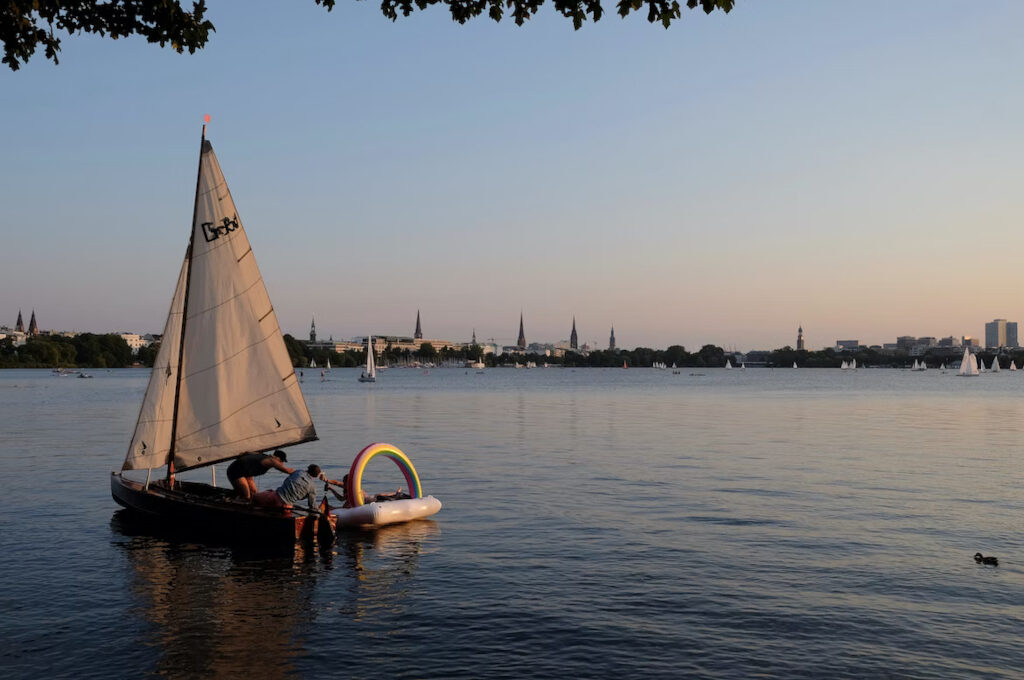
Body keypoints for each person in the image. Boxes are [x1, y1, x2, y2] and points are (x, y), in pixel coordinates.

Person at [255, 464, 338, 512]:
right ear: (316, 476)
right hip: (286, 506)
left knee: (254, 498)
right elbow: (312, 506)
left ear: (307, 469)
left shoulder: (298, 472)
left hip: (275, 496)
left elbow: (287, 480)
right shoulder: (312, 487)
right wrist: (319, 510)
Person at [227, 450, 293, 501]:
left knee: (254, 493)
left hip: (246, 473)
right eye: (281, 461)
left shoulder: (264, 456)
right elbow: (287, 471)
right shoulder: (272, 461)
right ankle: (231, 501)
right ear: (276, 458)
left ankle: (238, 496)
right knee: (246, 496)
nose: (282, 463)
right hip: (235, 471)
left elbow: (246, 453)